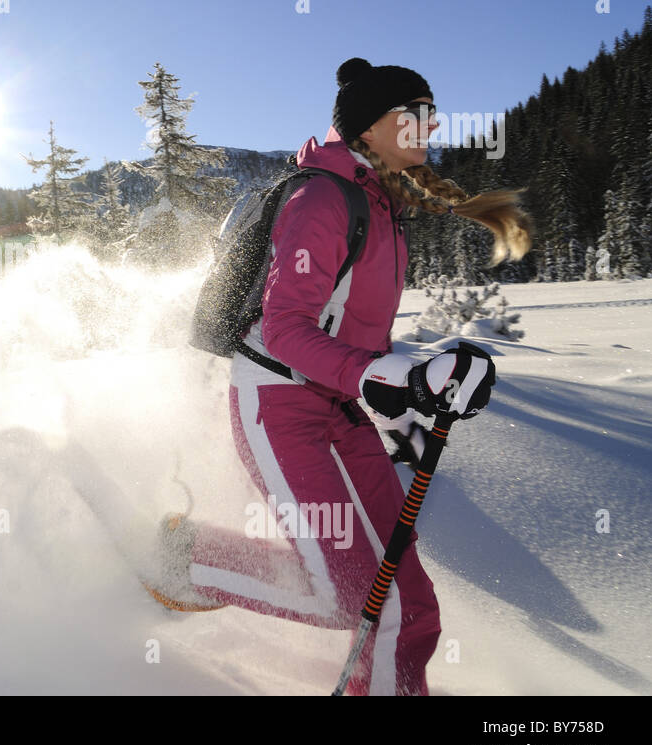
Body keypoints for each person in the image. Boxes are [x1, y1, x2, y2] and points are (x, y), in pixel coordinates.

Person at [161, 58, 531, 695]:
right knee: (354, 592)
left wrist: (432, 380)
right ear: (367, 130)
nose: (431, 125)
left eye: (430, 113)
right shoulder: (321, 198)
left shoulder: (383, 209)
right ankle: (186, 560)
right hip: (280, 406)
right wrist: (383, 377)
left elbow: (360, 335)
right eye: (412, 115)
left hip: (344, 412)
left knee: (406, 599)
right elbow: (284, 327)